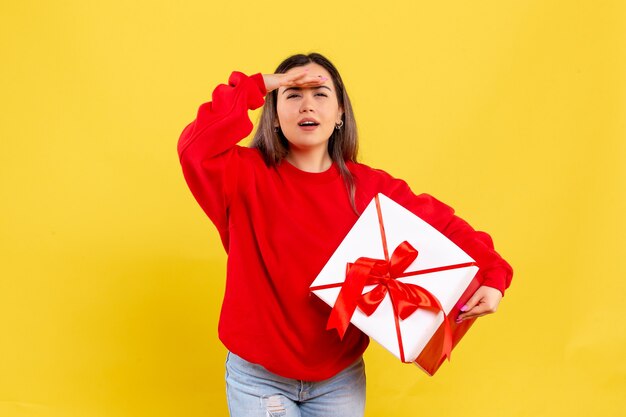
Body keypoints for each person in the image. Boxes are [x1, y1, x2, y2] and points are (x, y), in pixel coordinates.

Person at [177, 52, 513, 417]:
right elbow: (195, 148)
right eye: (292, 94)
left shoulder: (369, 187)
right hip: (260, 379)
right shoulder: (242, 177)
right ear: (273, 116)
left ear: (340, 115)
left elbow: (447, 226)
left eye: (320, 93)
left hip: (339, 380)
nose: (307, 104)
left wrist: (495, 277)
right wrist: (257, 87)